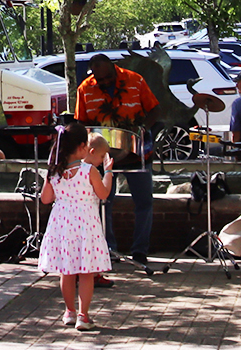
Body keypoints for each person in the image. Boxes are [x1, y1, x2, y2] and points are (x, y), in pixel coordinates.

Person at [74, 53, 158, 273]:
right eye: (99, 81)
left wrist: (143, 129)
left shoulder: (135, 80)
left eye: (107, 79)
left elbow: (155, 110)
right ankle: (107, 249)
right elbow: (82, 122)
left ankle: (140, 251)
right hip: (102, 155)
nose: (103, 84)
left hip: (134, 152)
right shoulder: (85, 89)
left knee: (143, 202)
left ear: (114, 68)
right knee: (103, 202)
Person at [38, 123, 114, 331]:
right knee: (86, 272)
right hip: (85, 223)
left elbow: (46, 199)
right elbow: (103, 194)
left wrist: (50, 179)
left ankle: (69, 311)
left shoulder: (55, 171)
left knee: (67, 271)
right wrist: (108, 172)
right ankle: (84, 315)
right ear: (82, 147)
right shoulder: (89, 171)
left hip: (62, 224)